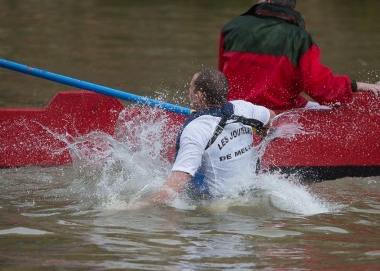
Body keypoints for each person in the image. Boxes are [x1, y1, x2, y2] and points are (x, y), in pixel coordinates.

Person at [218, 0, 380, 112]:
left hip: (233, 110)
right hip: (280, 113)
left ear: (266, 1)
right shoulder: (299, 38)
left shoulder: (231, 28)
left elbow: (221, 80)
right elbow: (321, 88)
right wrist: (355, 86)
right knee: (338, 110)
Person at [147, 69, 276, 204]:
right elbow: (272, 118)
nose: (189, 90)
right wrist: (262, 131)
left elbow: (179, 180)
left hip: (217, 208)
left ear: (199, 96)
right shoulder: (244, 108)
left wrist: (140, 205)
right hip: (252, 194)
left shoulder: (196, 129)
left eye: (191, 87)